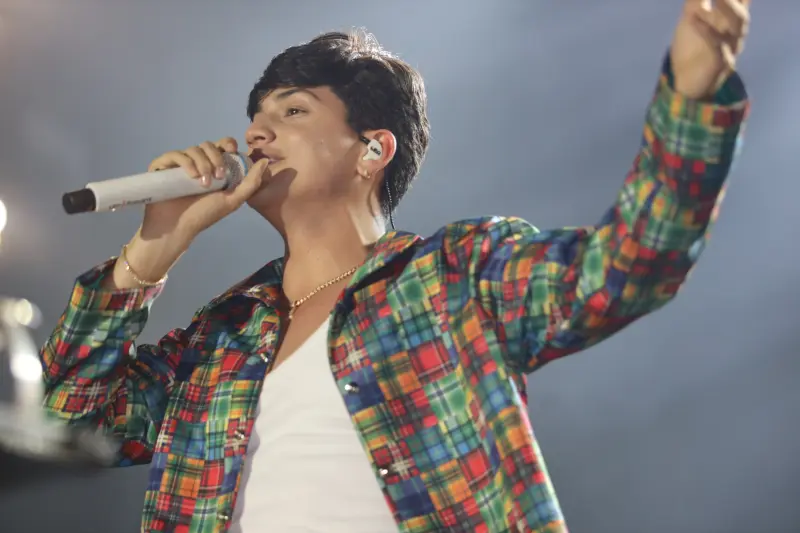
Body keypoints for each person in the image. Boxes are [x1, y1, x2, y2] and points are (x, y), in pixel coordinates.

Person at [39, 1, 752, 532]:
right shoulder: (220, 337)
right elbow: (62, 418)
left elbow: (630, 266)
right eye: (256, 116)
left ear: (372, 150)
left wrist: (690, 100)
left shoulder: (454, 278)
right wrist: (152, 251)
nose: (256, 132)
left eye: (293, 111)